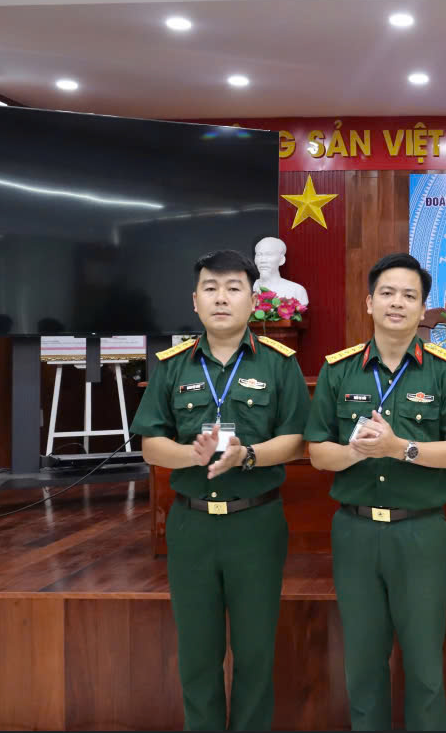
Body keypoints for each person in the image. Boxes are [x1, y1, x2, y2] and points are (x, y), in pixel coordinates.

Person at [305, 253, 446, 731]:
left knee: (425, 667)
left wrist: (398, 447)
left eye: (409, 295)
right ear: (369, 302)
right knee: (363, 665)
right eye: (387, 293)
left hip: (420, 533)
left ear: (423, 308)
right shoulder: (339, 370)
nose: (397, 303)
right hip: (355, 532)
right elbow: (318, 453)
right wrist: (358, 452)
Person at [131, 249, 310, 731]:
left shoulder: (279, 364)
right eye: (210, 289)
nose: (221, 298)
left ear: (254, 301)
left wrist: (245, 455)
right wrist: (194, 455)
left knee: (255, 653)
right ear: (195, 301)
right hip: (191, 526)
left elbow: (296, 442)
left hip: (256, 523)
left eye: (233, 289)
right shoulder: (172, 366)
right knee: (197, 655)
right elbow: (150, 445)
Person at [252, 236, 309, 306]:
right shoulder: (249, 287)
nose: (263, 260)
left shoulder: (296, 290)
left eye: (269, 255)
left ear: (282, 260)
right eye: (259, 255)